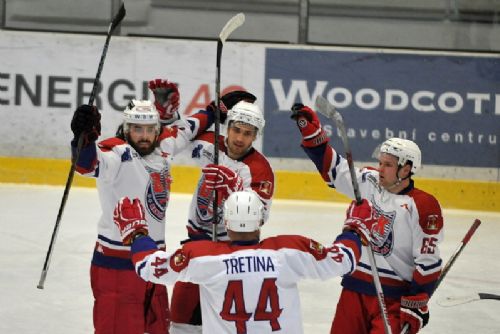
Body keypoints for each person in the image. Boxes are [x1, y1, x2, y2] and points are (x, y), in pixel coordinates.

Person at [112, 191, 378, 334]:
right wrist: (353, 231)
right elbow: (343, 260)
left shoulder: (205, 257)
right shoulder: (288, 251)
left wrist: (136, 234)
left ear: (226, 223)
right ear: (260, 221)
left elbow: (150, 267)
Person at [70, 90, 222, 333]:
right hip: (117, 266)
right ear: (126, 128)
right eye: (137, 129)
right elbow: (87, 164)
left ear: (156, 129)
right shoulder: (118, 152)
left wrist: (215, 110)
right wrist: (83, 138)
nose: (143, 135)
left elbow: (189, 128)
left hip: (152, 263)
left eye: (149, 129)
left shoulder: (163, 147)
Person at [290, 103, 444, 334]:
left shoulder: (422, 205)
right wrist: (312, 133)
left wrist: (417, 300)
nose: (380, 169)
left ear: (406, 169)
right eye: (380, 162)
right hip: (355, 289)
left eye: (388, 165)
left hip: (393, 298)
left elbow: (428, 259)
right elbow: (335, 170)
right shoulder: (369, 182)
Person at [148, 79, 275, 333]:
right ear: (227, 127)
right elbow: (170, 140)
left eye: (248, 133)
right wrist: (166, 117)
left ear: (255, 136)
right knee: (181, 322)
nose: (240, 138)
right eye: (236, 130)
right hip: (197, 245)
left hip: (233, 253)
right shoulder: (209, 145)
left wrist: (236, 188)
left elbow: (259, 216)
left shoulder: (260, 170)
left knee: (226, 323)